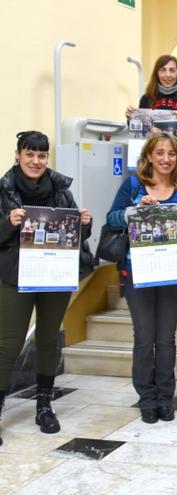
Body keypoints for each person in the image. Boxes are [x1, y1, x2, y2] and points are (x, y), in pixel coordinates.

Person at [106, 132, 177, 424]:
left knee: (166, 338)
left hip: (173, 273)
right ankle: (146, 397)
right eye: (160, 152)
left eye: (171, 154)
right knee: (144, 337)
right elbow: (111, 218)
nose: (165, 159)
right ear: (149, 155)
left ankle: (165, 396)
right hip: (138, 271)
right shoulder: (133, 185)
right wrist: (132, 212)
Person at [0, 131, 94, 444]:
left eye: (42, 155)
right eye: (30, 154)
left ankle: (44, 404)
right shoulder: (3, 189)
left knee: (49, 338)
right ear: (18, 155)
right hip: (14, 276)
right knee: (9, 344)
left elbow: (77, 233)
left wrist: (84, 222)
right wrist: (7, 222)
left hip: (54, 274)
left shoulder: (61, 190)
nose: (36, 161)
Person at [125, 55, 177, 120]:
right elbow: (140, 129)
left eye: (172, 70)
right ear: (156, 74)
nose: (167, 75)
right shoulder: (146, 99)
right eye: (163, 70)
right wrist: (131, 117)